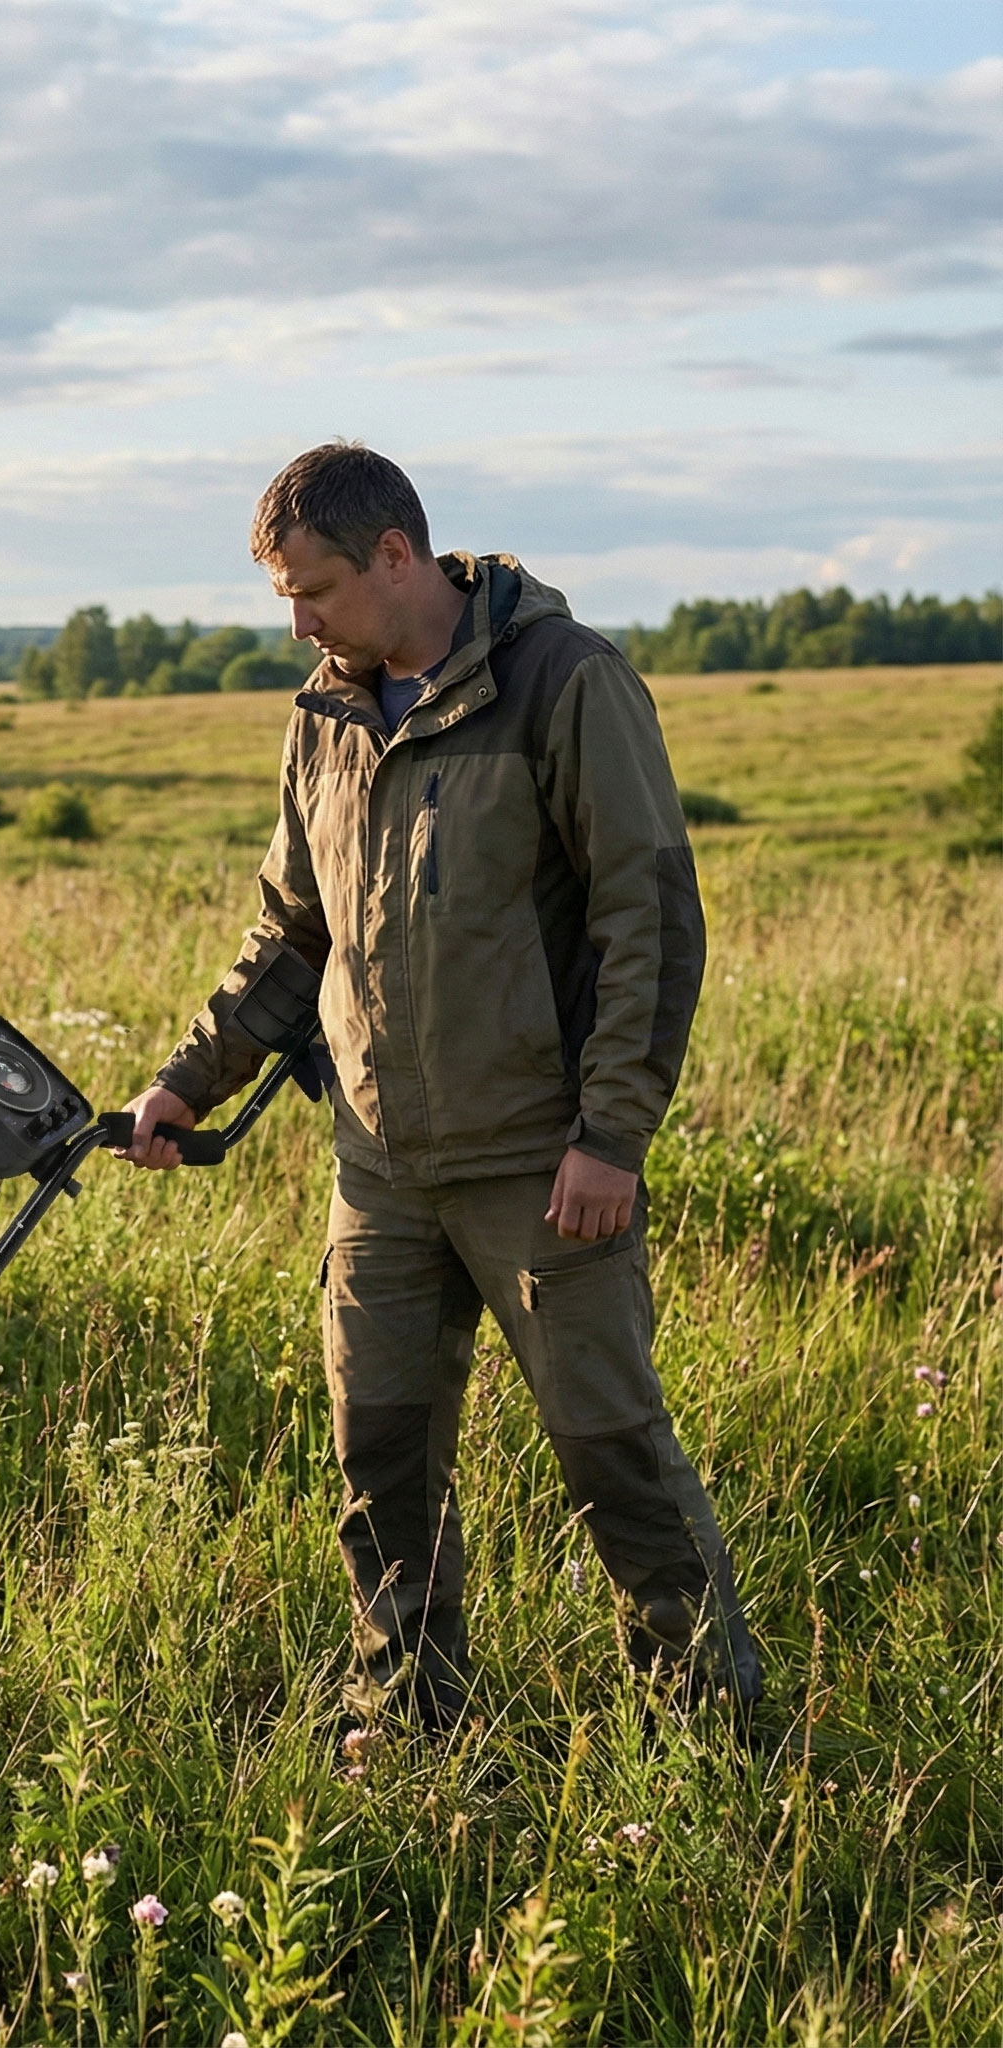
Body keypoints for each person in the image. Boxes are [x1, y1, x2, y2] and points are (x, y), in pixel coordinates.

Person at [120, 441, 762, 1729]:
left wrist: (612, 1138)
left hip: (541, 1165)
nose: (301, 624)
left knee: (613, 1459)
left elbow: (650, 922)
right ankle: (409, 1723)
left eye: (316, 592)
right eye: (286, 600)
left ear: (398, 557)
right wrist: (189, 1079)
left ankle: (717, 1736)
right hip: (382, 1166)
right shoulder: (326, 716)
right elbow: (296, 933)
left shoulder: (564, 684)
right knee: (383, 1467)